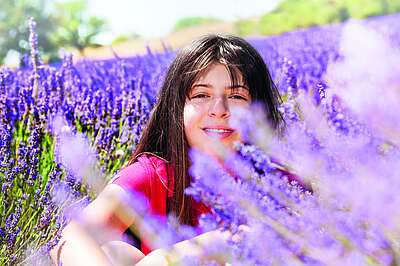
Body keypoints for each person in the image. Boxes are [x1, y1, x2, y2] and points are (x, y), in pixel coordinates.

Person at [50, 34, 283, 265]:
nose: (219, 110)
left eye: (236, 96)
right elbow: (72, 239)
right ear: (177, 107)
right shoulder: (155, 175)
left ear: (258, 108)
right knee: (117, 253)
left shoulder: (279, 179)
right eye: (201, 95)